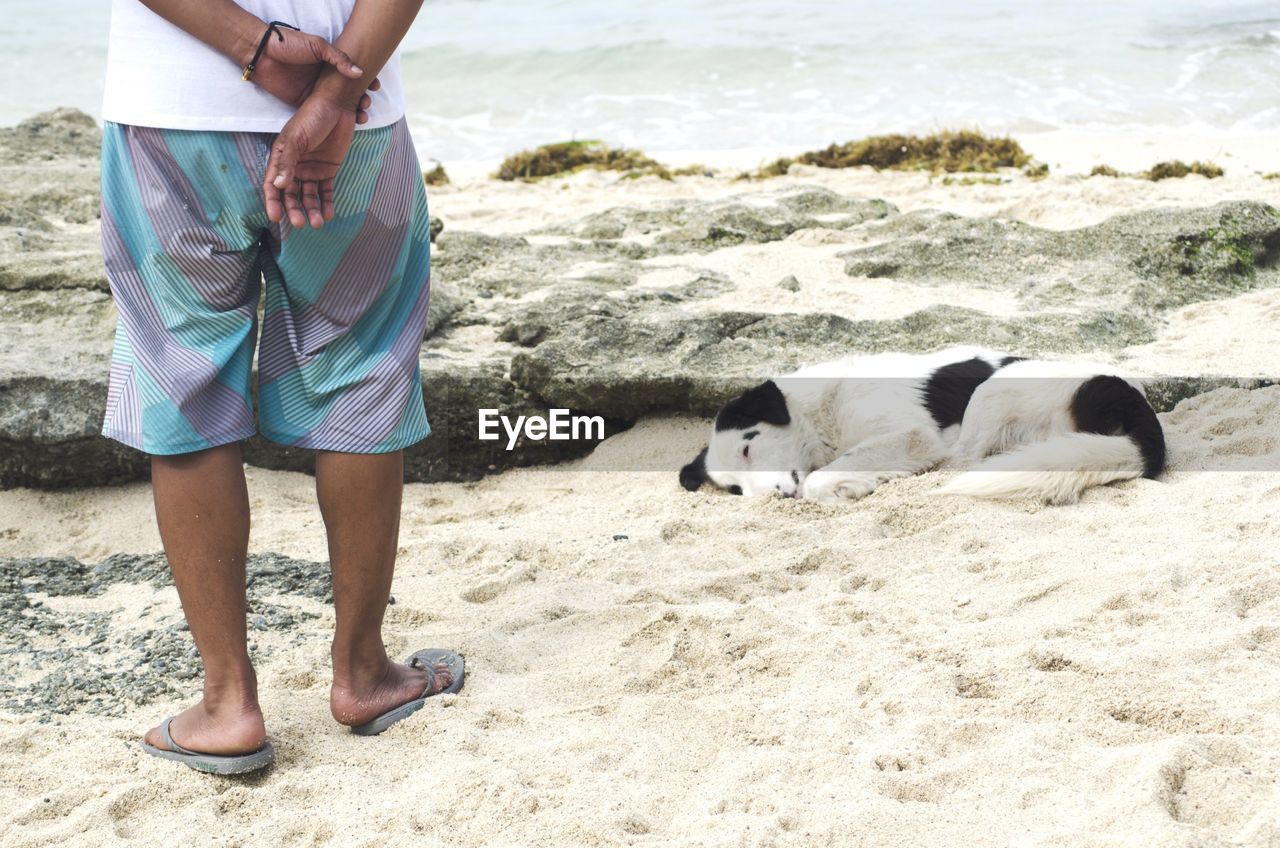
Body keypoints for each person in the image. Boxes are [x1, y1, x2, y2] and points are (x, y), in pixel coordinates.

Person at [99, 0, 461, 775]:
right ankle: (364, 674)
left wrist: (256, 49)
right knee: (361, 367)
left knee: (183, 380)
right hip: (352, 117)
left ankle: (229, 704)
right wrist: (330, 94)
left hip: (172, 108)